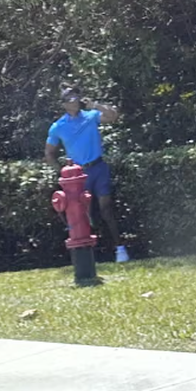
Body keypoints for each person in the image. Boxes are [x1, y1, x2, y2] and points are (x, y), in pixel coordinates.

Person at [44, 82, 129, 263]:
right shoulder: (58, 126)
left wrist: (95, 105)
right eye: (69, 99)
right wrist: (64, 174)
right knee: (84, 215)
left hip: (98, 167)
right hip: (78, 176)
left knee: (106, 208)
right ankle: (91, 254)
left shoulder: (90, 116)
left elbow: (113, 116)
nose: (74, 101)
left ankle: (120, 248)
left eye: (76, 97)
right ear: (63, 104)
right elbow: (49, 154)